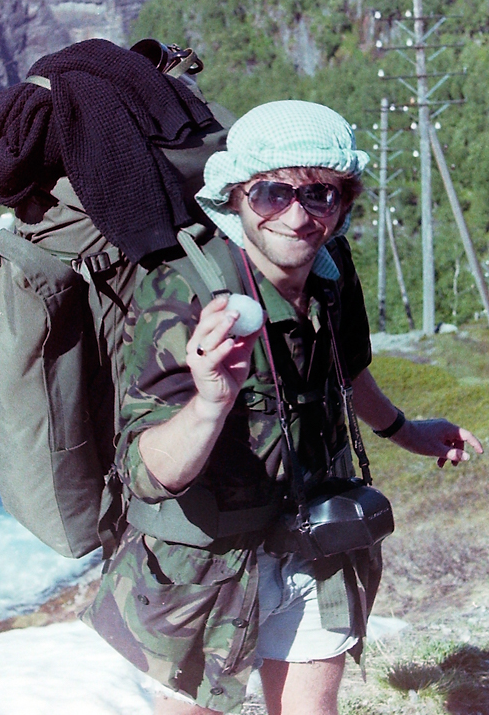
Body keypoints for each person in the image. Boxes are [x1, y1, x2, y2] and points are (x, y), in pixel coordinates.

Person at [83, 100, 483, 715]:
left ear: (343, 202)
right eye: (273, 193)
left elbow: (346, 372)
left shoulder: (331, 267)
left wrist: (406, 432)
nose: (297, 217)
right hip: (208, 562)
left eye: (321, 195)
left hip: (314, 534)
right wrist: (212, 401)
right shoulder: (183, 290)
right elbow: (150, 471)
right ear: (236, 197)